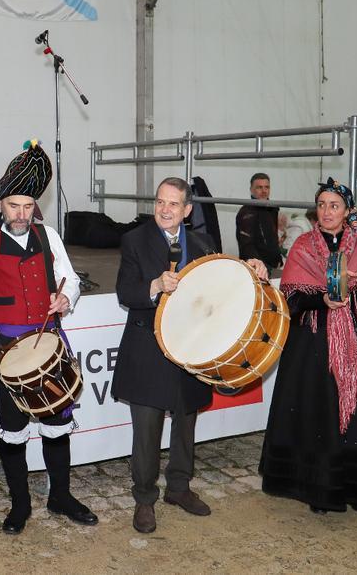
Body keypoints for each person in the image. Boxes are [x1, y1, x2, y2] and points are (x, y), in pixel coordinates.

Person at [0, 140, 96, 535]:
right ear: (0, 205)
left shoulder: (48, 236)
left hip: (50, 340)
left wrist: (66, 296)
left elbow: (74, 279)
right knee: (13, 430)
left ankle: (60, 496)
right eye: (15, 206)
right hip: (8, 348)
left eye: (29, 206)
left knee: (56, 421)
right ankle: (20, 504)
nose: (22, 214)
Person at [114, 177, 268, 533]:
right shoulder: (134, 240)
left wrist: (253, 268)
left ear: (186, 210)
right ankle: (144, 499)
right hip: (148, 349)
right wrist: (154, 285)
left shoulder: (202, 242)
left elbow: (223, 285)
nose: (164, 210)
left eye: (173, 204)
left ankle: (179, 488)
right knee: (147, 430)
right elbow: (125, 291)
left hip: (192, 350)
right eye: (160, 202)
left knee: (185, 423)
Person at [259, 178, 357, 514]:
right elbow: (291, 299)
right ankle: (319, 489)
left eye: (334, 206)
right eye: (322, 205)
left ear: (348, 212)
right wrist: (321, 300)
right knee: (319, 413)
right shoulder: (302, 246)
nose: (327, 211)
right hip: (314, 344)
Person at [234, 172, 282, 269]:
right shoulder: (246, 212)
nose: (264, 191)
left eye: (267, 187)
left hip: (273, 265)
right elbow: (247, 245)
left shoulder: (273, 208)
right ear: (251, 190)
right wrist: (260, 266)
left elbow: (273, 236)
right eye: (259, 187)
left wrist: (278, 259)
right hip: (256, 267)